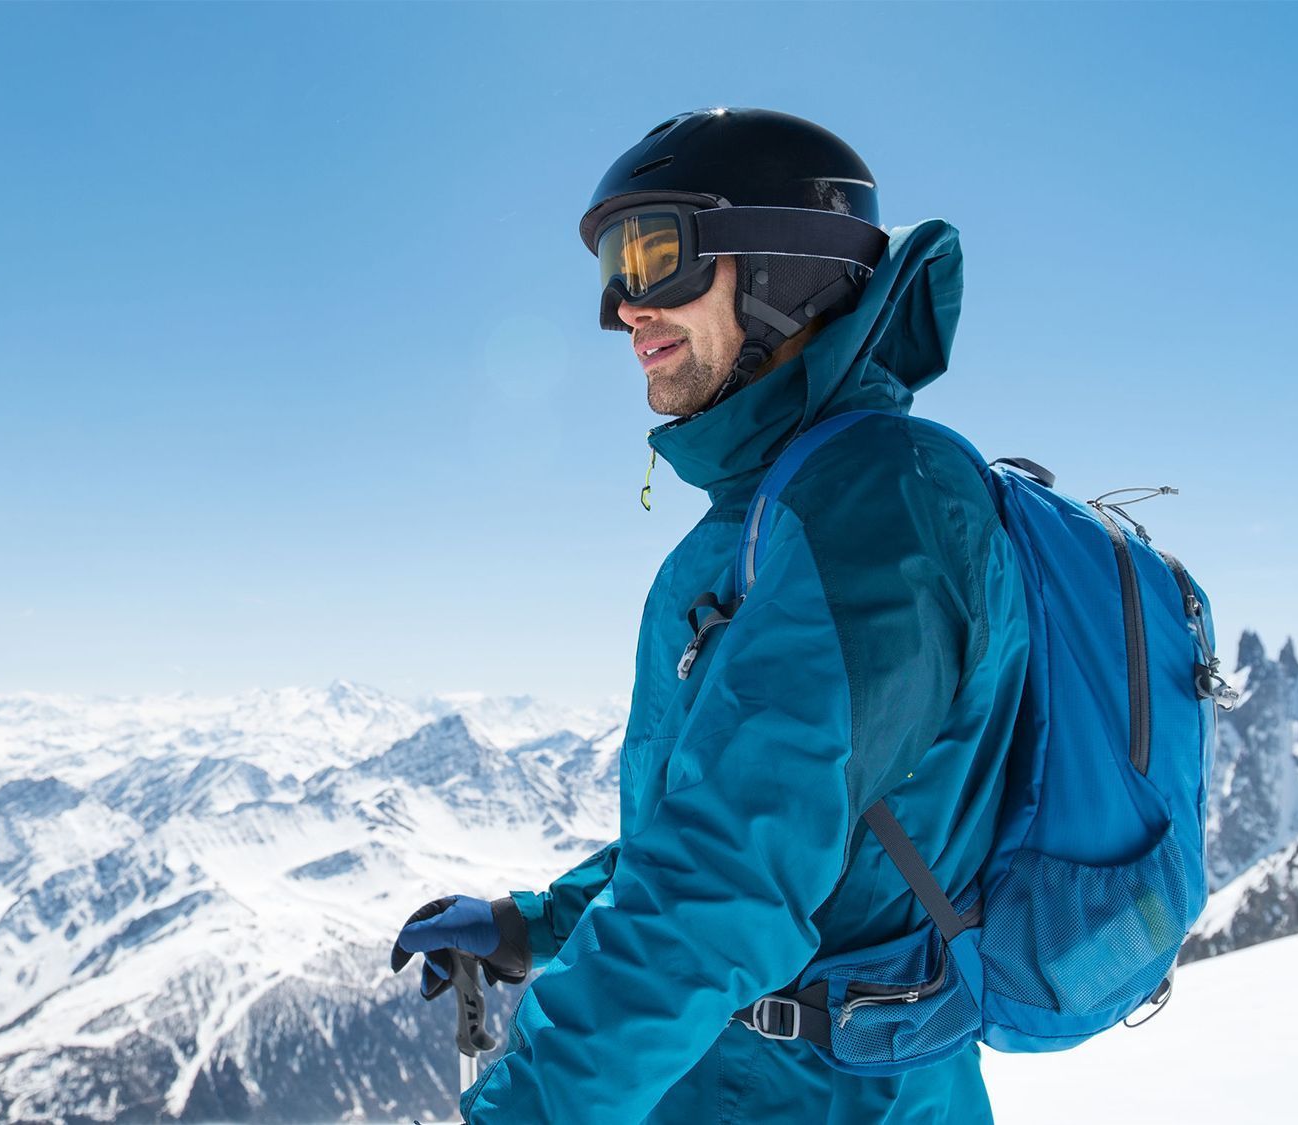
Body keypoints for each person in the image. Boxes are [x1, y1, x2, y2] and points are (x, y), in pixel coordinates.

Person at [391, 107, 1030, 1123]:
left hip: (823, 1100)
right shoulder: (777, 506)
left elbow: (722, 884)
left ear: (789, 266)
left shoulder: (875, 506)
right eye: (609, 266)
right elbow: (743, 818)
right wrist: (533, 925)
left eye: (653, 258)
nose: (619, 309)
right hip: (756, 1084)